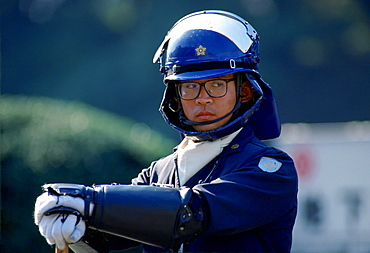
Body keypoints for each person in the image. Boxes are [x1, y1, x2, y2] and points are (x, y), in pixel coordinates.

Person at [34, 10, 298, 253]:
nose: (202, 98)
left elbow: (192, 212)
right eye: (189, 86)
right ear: (176, 96)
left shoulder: (270, 169)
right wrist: (74, 229)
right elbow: (108, 234)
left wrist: (90, 202)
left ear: (244, 91)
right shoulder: (158, 172)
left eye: (217, 84)